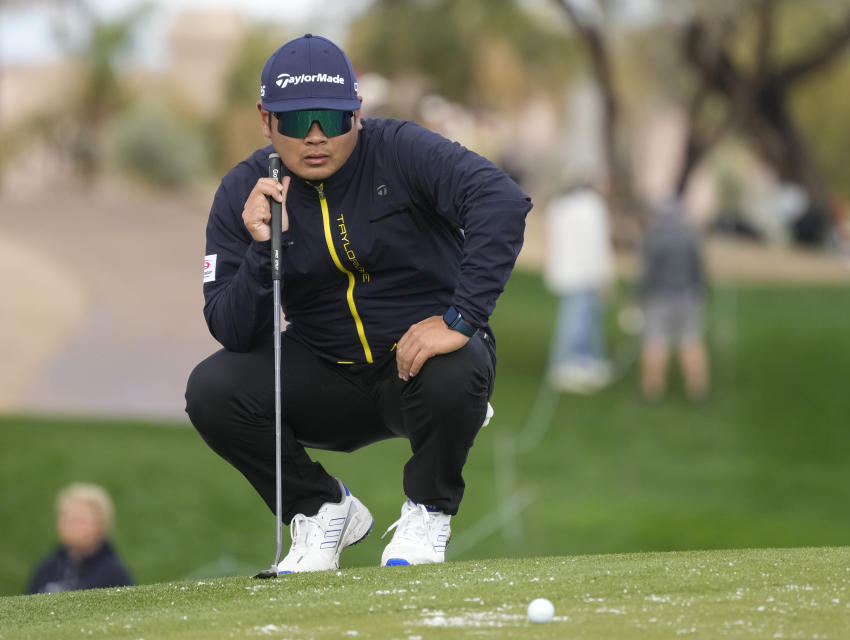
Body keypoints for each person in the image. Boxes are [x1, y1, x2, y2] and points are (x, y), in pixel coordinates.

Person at [185, 34, 531, 573]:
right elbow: (231, 330)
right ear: (265, 119)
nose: (317, 137)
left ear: (358, 113)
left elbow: (502, 201)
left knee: (455, 365)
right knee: (211, 388)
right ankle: (322, 509)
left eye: (333, 118)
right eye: (298, 122)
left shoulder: (401, 149)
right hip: (326, 373)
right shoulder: (243, 190)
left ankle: (428, 511)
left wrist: (461, 317)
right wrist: (260, 252)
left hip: (416, 369)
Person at [543, 181, 615, 393]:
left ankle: (585, 361)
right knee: (578, 320)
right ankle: (569, 364)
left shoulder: (560, 206)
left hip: (568, 271)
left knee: (580, 318)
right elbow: (598, 245)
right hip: (586, 273)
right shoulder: (593, 207)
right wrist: (604, 275)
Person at [639, 198, 710, 402]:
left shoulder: (653, 237)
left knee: (655, 342)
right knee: (691, 340)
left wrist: (641, 296)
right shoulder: (691, 236)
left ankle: (652, 389)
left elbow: (648, 273)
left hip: (659, 298)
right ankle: (697, 388)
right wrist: (701, 293)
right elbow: (698, 269)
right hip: (688, 296)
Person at [26, 483, 134, 594]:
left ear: (101, 524)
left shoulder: (114, 574)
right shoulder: (47, 568)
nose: (70, 527)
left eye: (79, 520)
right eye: (66, 519)